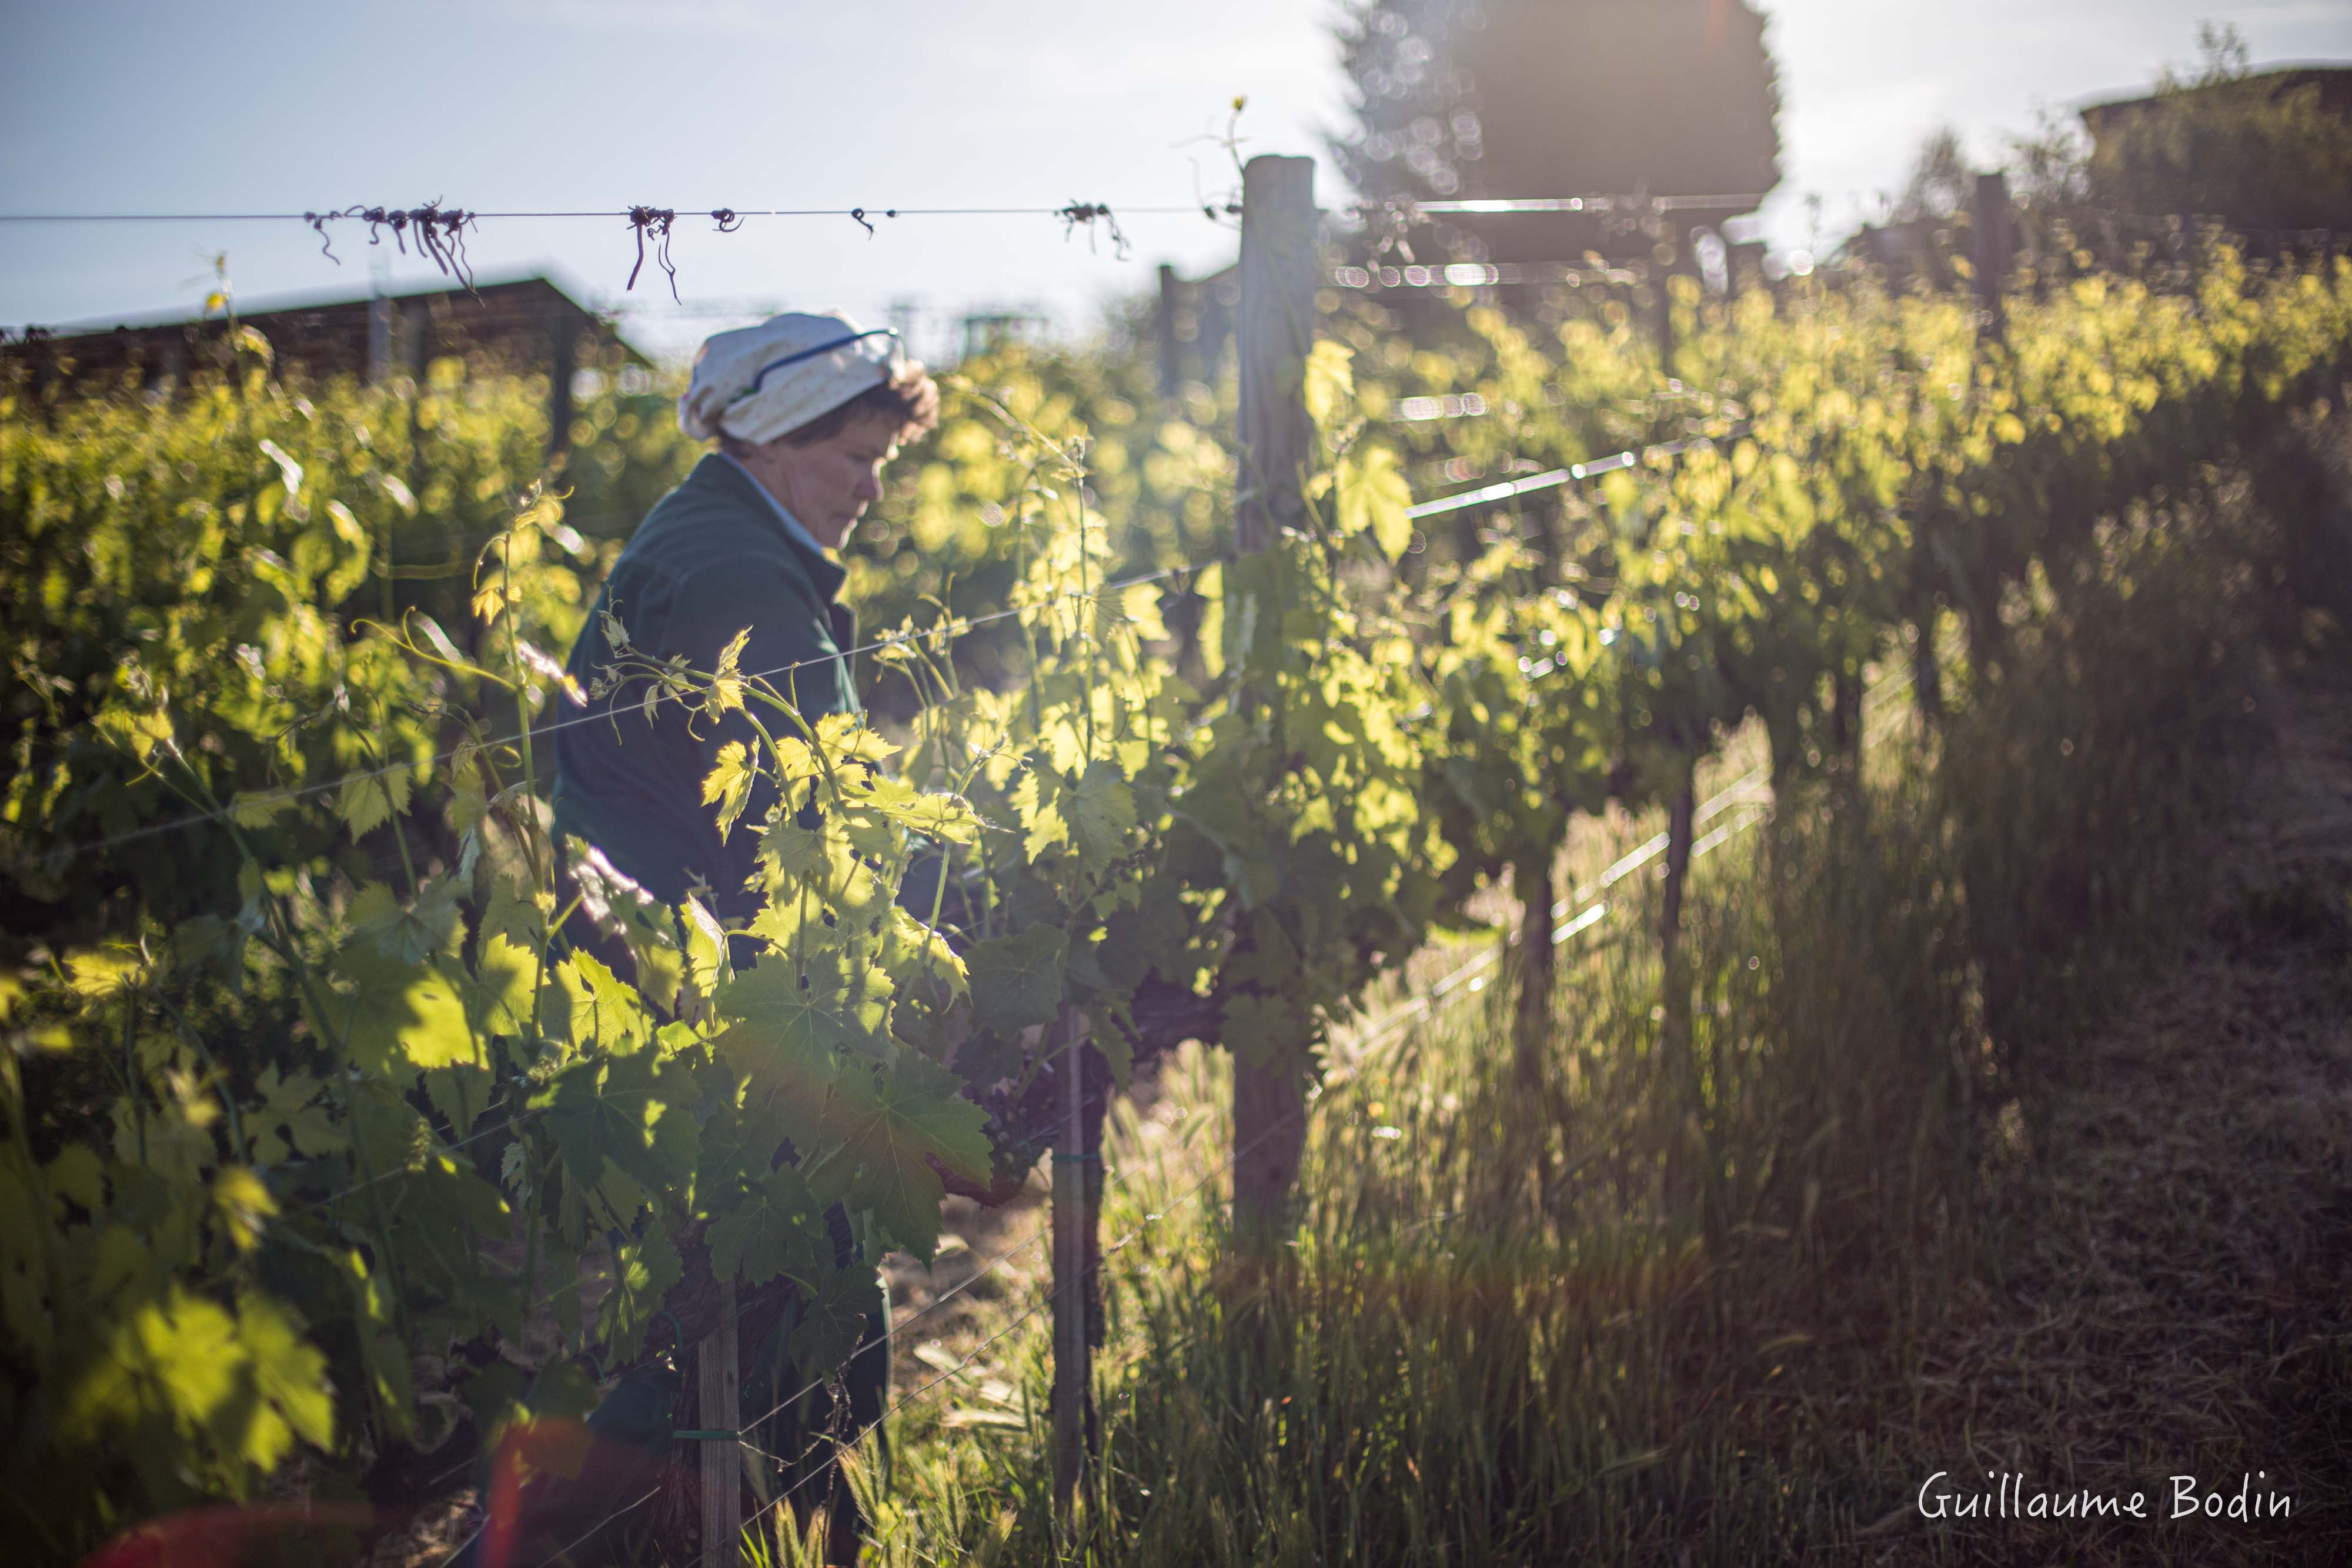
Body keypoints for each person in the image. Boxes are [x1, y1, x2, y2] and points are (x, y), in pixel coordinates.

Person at [477, 312, 940, 1567]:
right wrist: (953, 898)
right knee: (759, 1289)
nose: (872, 487)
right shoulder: (738, 575)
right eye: (856, 456)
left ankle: (814, 1523)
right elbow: (820, 815)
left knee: (774, 1290)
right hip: (707, 989)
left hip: (681, 968)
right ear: (780, 439)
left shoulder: (724, 537)